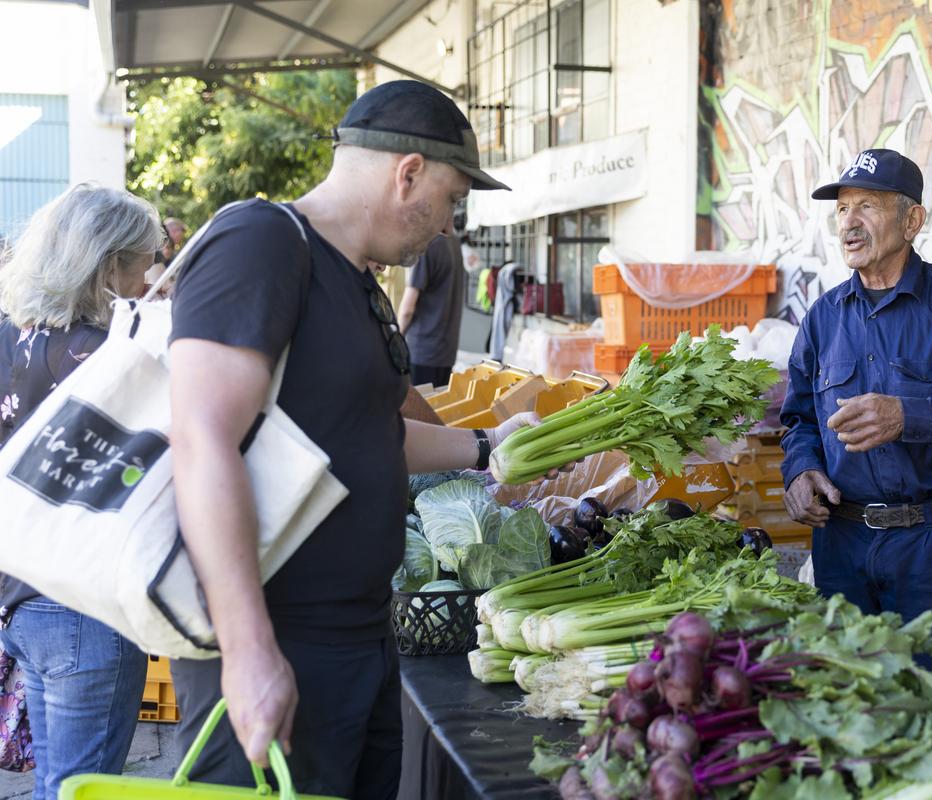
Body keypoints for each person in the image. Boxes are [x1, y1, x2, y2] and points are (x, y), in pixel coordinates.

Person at [165, 80, 561, 799]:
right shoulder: (259, 242)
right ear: (407, 172)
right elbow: (200, 438)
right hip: (281, 642)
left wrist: (486, 445)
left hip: (361, 639)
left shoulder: (355, 280)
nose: (446, 225)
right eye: (449, 200)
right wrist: (249, 652)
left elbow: (369, 433)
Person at [780, 149, 932, 670]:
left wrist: (908, 417)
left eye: (867, 206)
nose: (849, 223)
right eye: (842, 209)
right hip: (840, 545)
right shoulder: (824, 318)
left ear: (912, 219)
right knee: (843, 704)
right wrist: (800, 470)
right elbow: (799, 417)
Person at [0, 183, 163, 800]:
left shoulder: (12, 336)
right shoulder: (104, 357)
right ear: (108, 266)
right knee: (85, 787)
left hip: (21, 595)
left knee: (57, 785)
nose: (150, 280)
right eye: (143, 264)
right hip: (85, 603)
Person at [397, 227, 465, 388]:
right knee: (437, 408)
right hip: (446, 353)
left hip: (423, 351)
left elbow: (407, 309)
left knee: (419, 411)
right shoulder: (454, 242)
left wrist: (394, 340)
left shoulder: (426, 245)